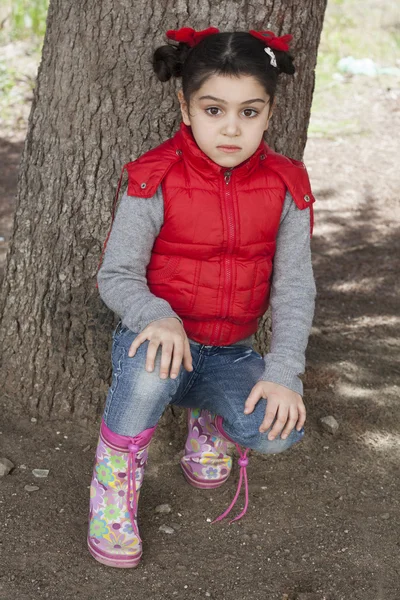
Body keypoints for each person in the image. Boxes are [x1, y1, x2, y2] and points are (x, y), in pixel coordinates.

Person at [87, 26, 317, 568]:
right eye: (214, 110)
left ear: (270, 111)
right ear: (186, 108)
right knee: (151, 369)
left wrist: (283, 370)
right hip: (156, 343)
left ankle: (210, 419)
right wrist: (157, 316)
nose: (232, 129)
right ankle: (111, 493)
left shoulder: (287, 186)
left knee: (280, 431)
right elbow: (116, 274)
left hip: (230, 351)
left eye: (249, 112)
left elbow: (294, 288)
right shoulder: (155, 178)